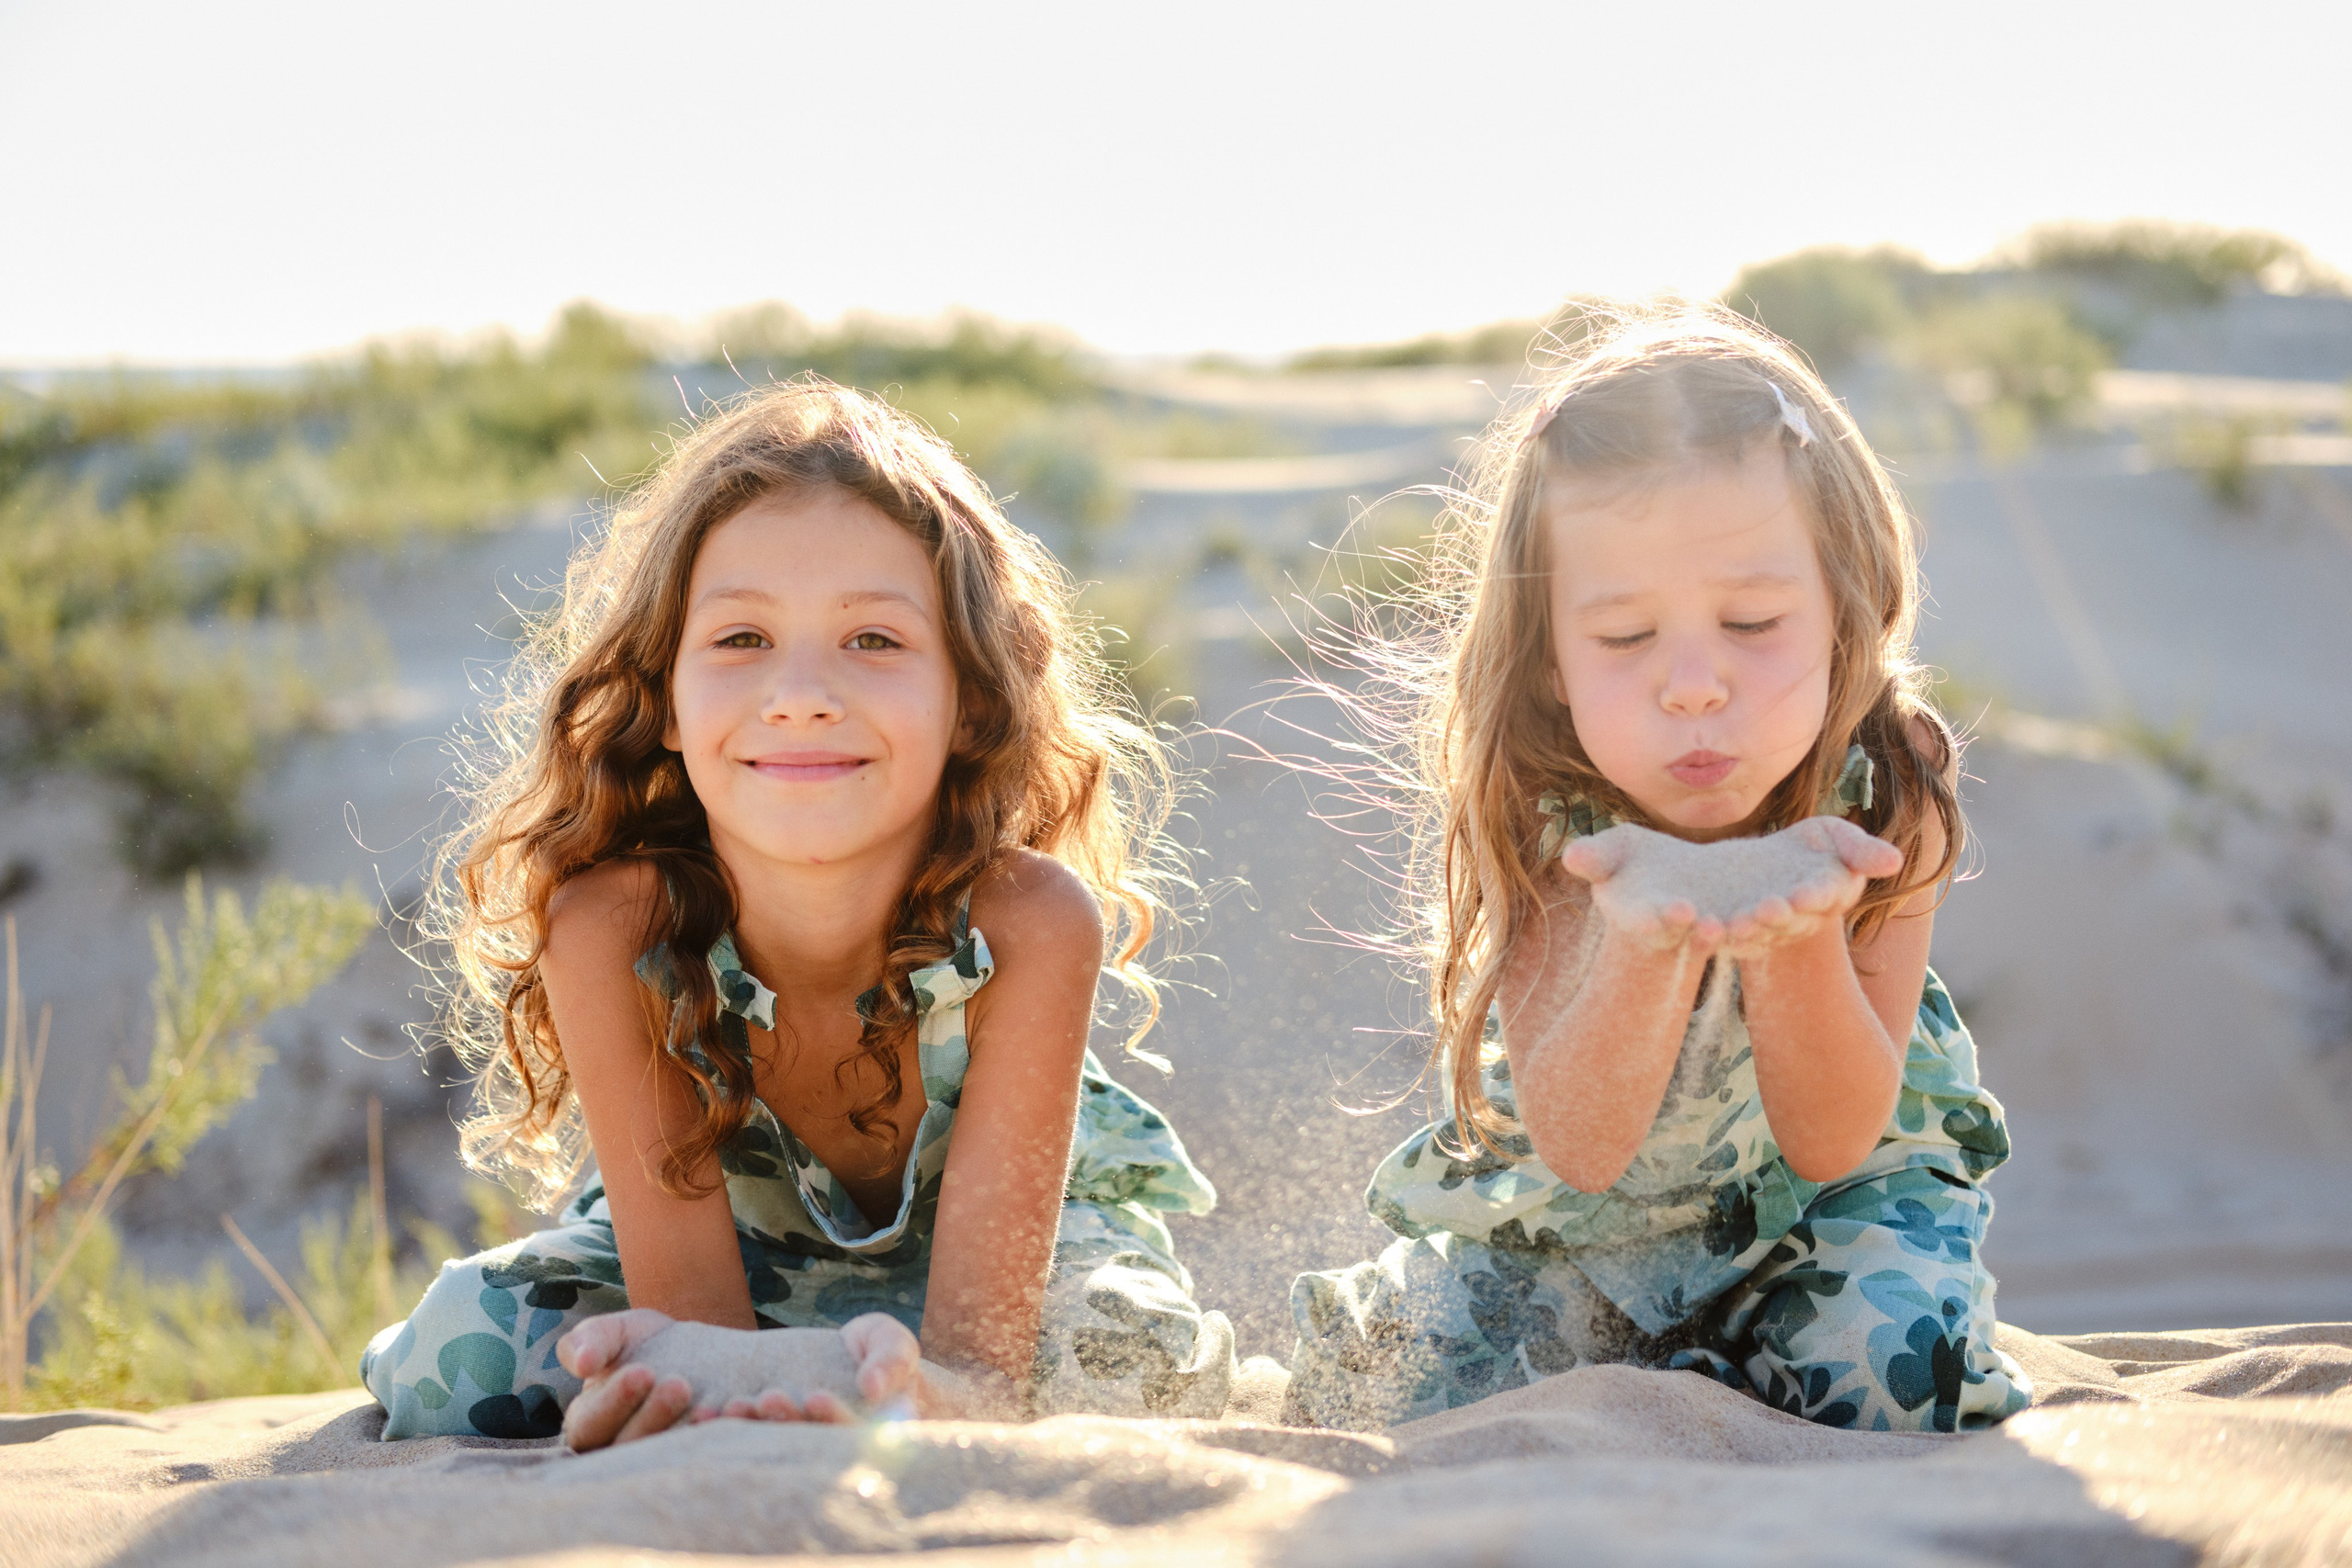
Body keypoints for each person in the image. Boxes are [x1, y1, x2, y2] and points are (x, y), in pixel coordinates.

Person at [363, 381, 1233, 1445]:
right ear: (665, 697)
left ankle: (851, 1379)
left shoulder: (1028, 921)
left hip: (1008, 1273)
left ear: (968, 697)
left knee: (1132, 1362)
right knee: (469, 1346)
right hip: (731, 1268)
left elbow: (985, 1361)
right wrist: (691, 1378)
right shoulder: (612, 926)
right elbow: (696, 1325)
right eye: (740, 640)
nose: (803, 693)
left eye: (873, 640)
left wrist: (929, 1384)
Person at [1287, 306, 2032, 1435]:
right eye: (1624, 638)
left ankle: (1753, 1358)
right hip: (1588, 1221)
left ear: (1846, 611)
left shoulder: (1889, 785)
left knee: (1895, 1369)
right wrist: (1642, 937)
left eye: (1752, 620)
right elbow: (1582, 1149)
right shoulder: (1547, 806)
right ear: (1548, 660)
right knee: (1407, 1390)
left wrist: (1793, 938)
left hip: (1836, 1206)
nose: (1691, 684)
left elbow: (1835, 1137)